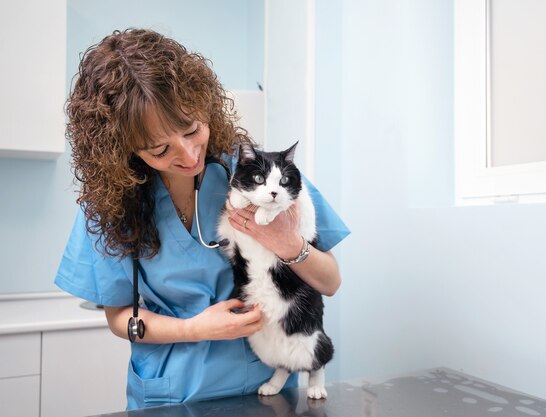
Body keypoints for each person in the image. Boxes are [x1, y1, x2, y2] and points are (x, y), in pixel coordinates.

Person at [54, 28, 349, 409]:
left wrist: (289, 245)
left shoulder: (259, 175)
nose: (190, 154)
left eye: (193, 129)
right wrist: (195, 328)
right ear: (122, 150)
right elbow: (119, 317)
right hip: (172, 396)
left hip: (266, 389)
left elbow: (331, 281)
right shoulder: (111, 205)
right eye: (160, 149)